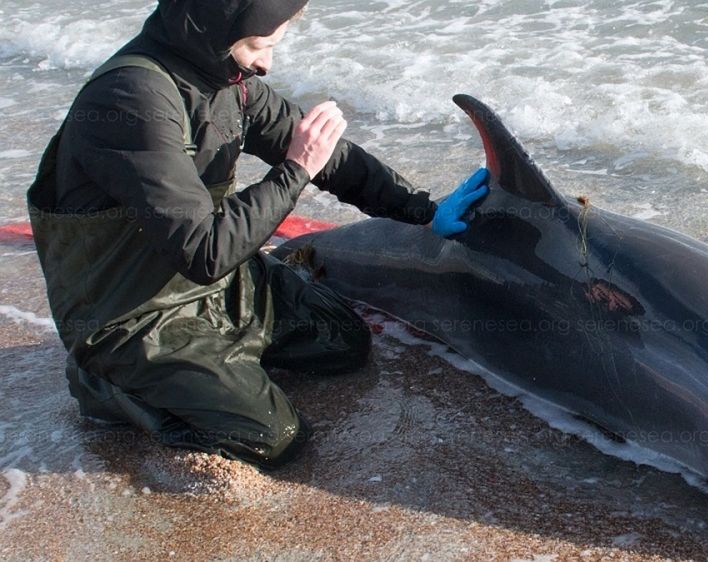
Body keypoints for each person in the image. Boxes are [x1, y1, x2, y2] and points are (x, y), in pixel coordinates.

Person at [26, 0, 489, 469]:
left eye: (273, 45)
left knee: (342, 342)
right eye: (257, 46)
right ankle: (106, 383)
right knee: (271, 437)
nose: (266, 63)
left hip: (220, 283)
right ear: (215, 27)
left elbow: (330, 158)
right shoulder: (129, 99)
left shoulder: (229, 81)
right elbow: (203, 251)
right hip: (132, 315)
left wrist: (423, 209)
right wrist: (294, 170)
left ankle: (221, 362)